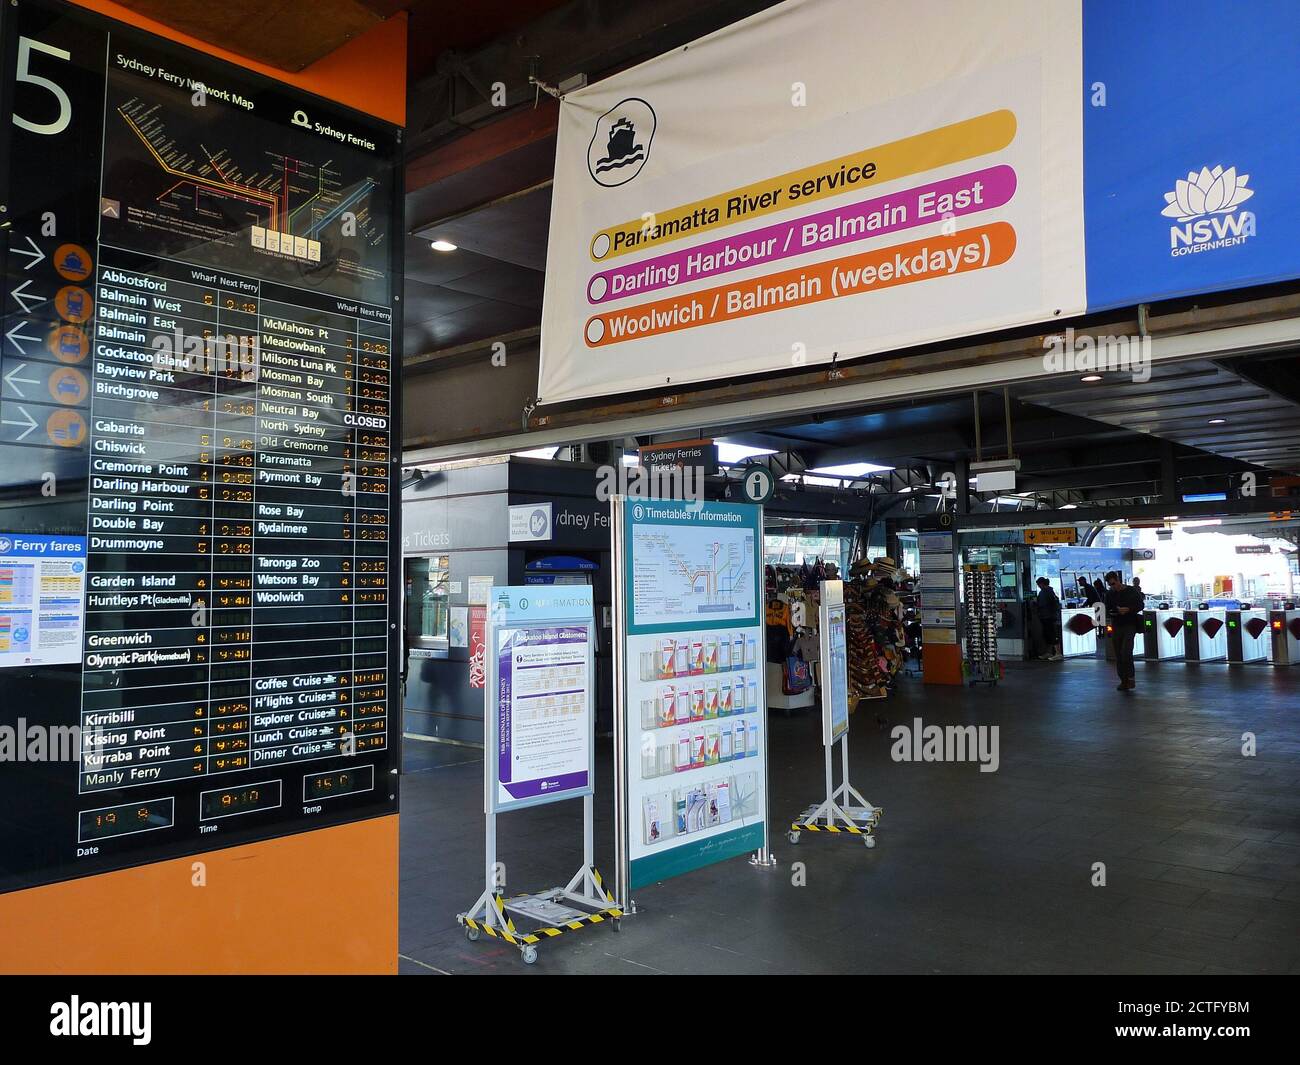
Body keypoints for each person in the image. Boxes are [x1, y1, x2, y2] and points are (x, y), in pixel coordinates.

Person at [1104, 570, 1144, 691]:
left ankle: (1130, 678)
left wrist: (1128, 609)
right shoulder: (1110, 594)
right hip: (1117, 624)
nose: (1113, 587)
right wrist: (1115, 611)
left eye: (1114, 583)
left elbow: (1140, 605)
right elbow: (1107, 608)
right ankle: (1124, 680)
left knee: (1126, 652)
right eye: (1110, 585)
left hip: (1129, 624)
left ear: (1118, 580)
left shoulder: (1131, 591)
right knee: (1118, 653)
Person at [1035, 577, 1062, 660]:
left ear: (1042, 584)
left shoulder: (1044, 592)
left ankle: (1058, 653)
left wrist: (1036, 604)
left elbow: (1042, 604)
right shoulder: (1051, 591)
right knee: (1048, 634)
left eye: (1038, 584)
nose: (1039, 586)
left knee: (1052, 634)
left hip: (1048, 616)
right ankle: (1049, 652)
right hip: (1051, 616)